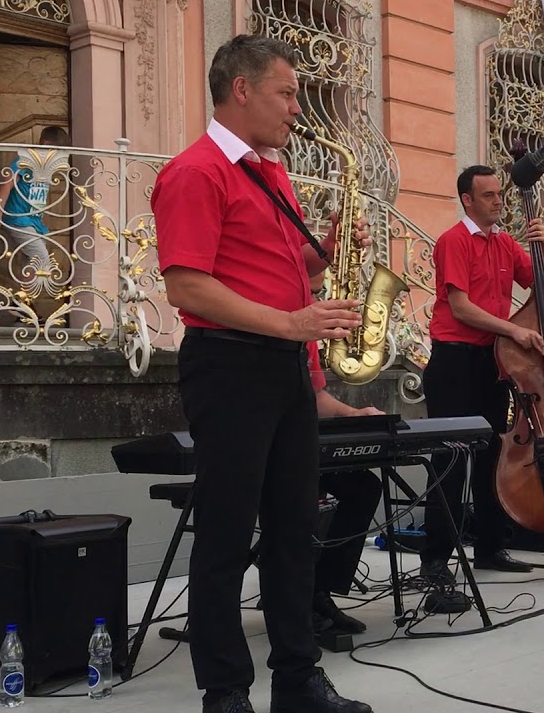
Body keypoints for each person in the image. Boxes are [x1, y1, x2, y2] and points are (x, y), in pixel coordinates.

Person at [152, 35, 373, 713]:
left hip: (283, 364)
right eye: (287, 92)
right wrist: (291, 323)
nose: (297, 107)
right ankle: (224, 691)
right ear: (241, 90)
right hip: (231, 365)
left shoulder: (268, 172)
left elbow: (275, 270)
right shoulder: (196, 172)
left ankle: (298, 680)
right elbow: (187, 285)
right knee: (225, 534)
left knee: (293, 529)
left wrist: (325, 253)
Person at [418, 165, 544, 590]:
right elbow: (461, 308)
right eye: (489, 195)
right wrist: (514, 330)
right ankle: (435, 558)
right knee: (450, 461)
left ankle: (490, 547)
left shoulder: (506, 244)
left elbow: (543, 286)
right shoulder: (453, 240)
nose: (498, 201)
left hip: (492, 361)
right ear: (467, 200)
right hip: (455, 360)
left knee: (493, 456)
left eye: (499, 194)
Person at [307, 273, 384, 636]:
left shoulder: (306, 336)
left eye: (317, 291)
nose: (315, 298)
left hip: (300, 444)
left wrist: (355, 414)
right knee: (300, 495)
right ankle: (295, 595)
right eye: (311, 290)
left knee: (363, 487)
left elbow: (316, 398)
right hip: (259, 447)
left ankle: (319, 592)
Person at [0, 125, 71, 277]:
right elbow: (8, 183)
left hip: (34, 223)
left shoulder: (46, 167)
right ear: (43, 143)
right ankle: (32, 291)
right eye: (52, 149)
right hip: (18, 218)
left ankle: (25, 292)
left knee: (30, 267)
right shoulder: (27, 159)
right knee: (42, 260)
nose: (54, 154)